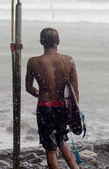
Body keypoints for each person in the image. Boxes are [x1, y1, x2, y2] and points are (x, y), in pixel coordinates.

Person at [25, 27, 79, 169]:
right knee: (61, 140)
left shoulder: (33, 61)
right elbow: (74, 91)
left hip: (45, 108)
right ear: (58, 41)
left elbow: (29, 88)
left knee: (50, 149)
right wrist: (74, 113)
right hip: (62, 108)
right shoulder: (69, 60)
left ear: (41, 41)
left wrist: (41, 93)